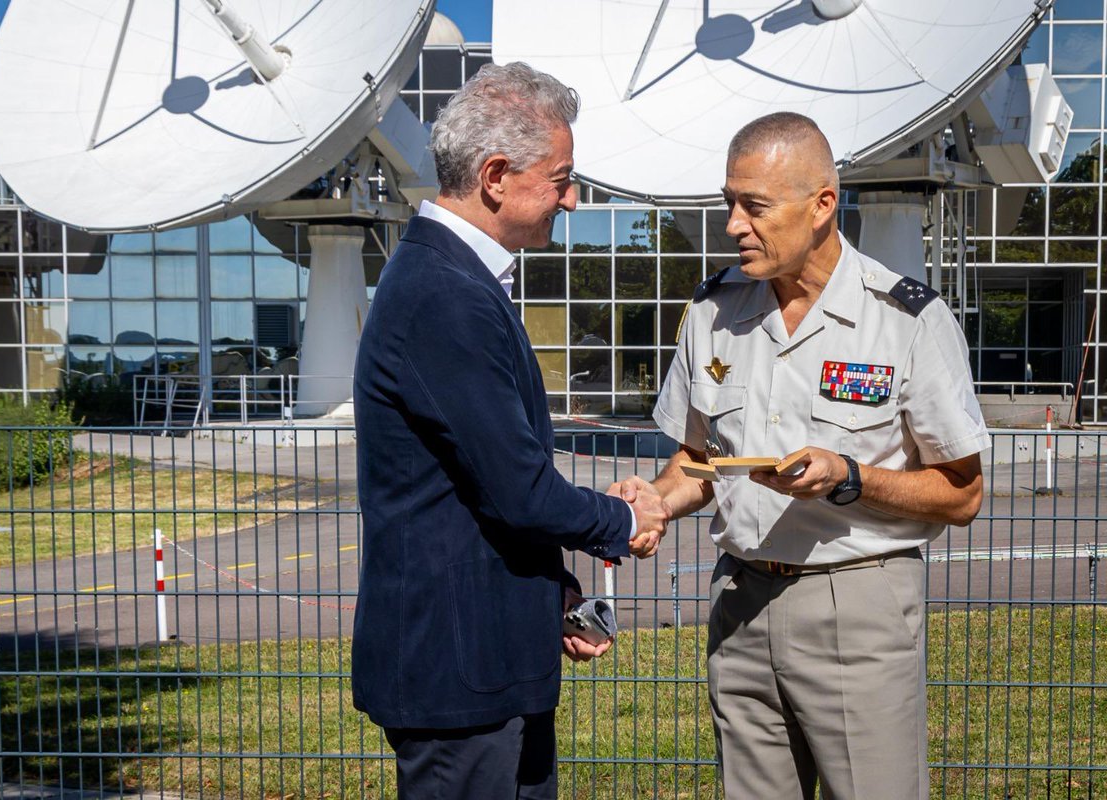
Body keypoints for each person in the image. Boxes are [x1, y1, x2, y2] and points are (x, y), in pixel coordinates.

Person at [615, 112, 990, 799]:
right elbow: (696, 461)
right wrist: (656, 501)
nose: (733, 224)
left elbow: (962, 494)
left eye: (754, 206)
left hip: (858, 602)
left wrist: (851, 478)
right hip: (740, 602)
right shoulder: (713, 313)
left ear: (822, 205)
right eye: (729, 202)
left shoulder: (904, 320)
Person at [350, 62, 670, 799]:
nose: (573, 196)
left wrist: (550, 592)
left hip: (488, 656)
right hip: (458, 672)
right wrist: (621, 517)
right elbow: (520, 490)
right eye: (561, 177)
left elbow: (474, 491)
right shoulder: (444, 295)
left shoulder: (455, 280)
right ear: (497, 174)